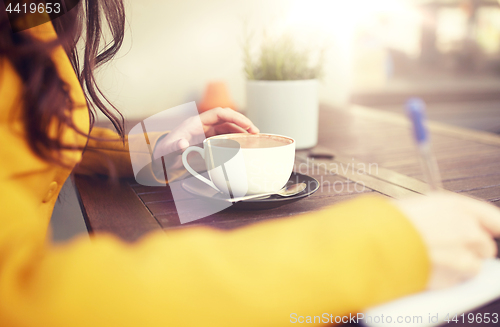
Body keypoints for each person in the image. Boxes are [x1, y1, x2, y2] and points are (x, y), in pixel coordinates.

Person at [1, 1, 499, 326]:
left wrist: (151, 148)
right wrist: (389, 246)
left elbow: (31, 132)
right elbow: (28, 302)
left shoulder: (28, 12)